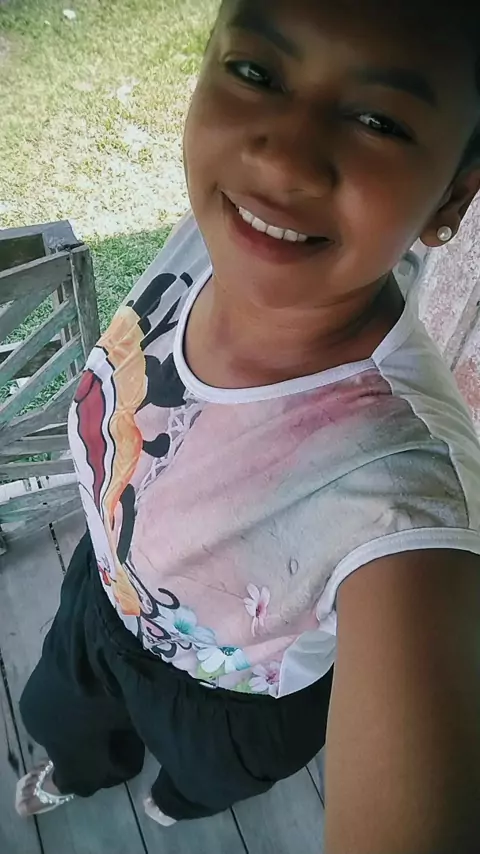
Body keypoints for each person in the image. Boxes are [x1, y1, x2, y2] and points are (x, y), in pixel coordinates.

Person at [15, 0, 480, 851]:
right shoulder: (228, 230)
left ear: (452, 193)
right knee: (56, 712)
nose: (281, 156)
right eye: (257, 72)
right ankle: (77, 771)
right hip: (106, 585)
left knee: (198, 780)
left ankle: (177, 804)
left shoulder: (407, 496)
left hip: (226, 704)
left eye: (379, 120)